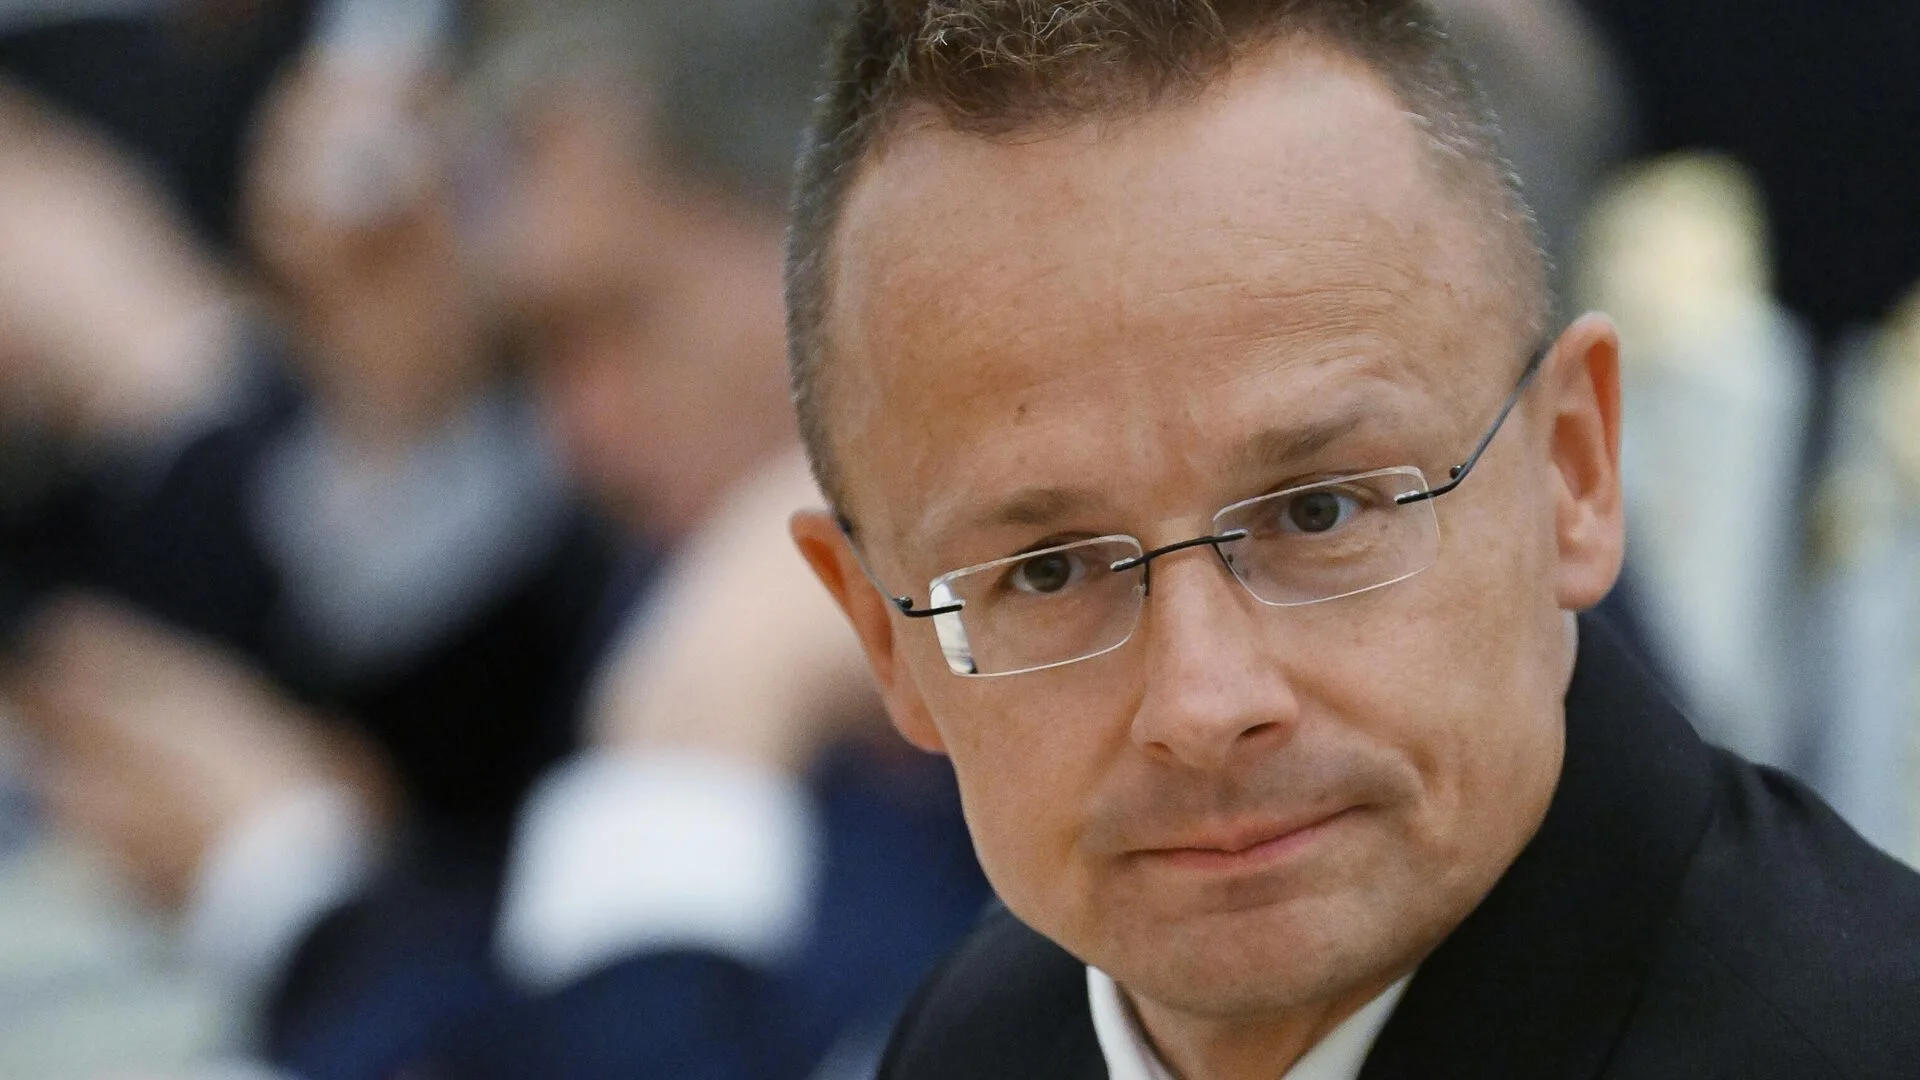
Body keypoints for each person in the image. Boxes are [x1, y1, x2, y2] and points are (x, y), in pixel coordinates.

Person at [782, 2, 1920, 1078]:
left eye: (1317, 511)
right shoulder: (982, 1038)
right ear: (884, 636)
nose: (1204, 706)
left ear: (1572, 472)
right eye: (1049, 571)